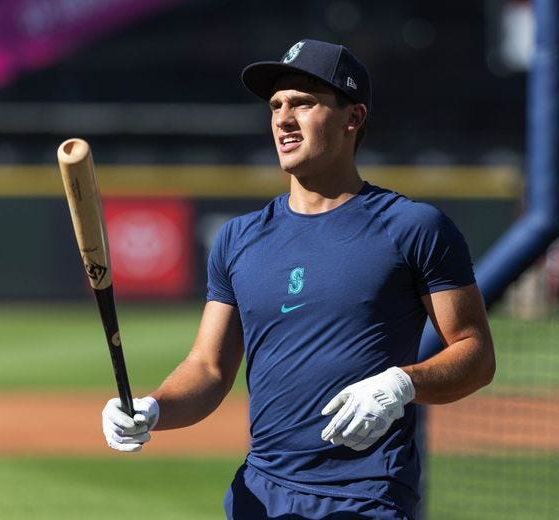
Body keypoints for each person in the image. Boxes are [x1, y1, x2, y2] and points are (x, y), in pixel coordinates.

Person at [102, 38, 495, 519]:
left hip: (367, 497)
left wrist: (401, 385)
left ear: (353, 117)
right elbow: (207, 369)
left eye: (304, 103)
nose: (283, 119)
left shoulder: (414, 227)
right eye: (276, 105)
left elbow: (476, 355)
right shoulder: (237, 238)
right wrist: (154, 408)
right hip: (260, 496)